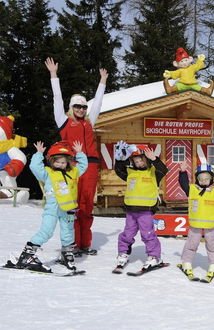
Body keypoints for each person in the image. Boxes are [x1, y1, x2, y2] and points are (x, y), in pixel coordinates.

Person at [45, 57, 108, 257]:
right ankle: (70, 243)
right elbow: (57, 99)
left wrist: (102, 82)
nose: (81, 110)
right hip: (70, 166)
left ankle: (84, 244)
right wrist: (53, 75)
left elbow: (98, 102)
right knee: (71, 203)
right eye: (77, 107)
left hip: (89, 165)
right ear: (71, 108)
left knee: (86, 204)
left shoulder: (90, 122)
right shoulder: (63, 121)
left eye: (83, 107)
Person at [10, 140, 87, 272]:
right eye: (57, 162)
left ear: (68, 162)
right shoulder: (47, 173)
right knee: (46, 231)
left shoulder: (74, 172)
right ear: (51, 161)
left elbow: (84, 166)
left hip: (68, 210)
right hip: (52, 209)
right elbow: (35, 167)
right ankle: (28, 253)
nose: (60, 164)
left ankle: (66, 253)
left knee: (68, 232)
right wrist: (39, 154)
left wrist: (80, 153)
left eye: (63, 162)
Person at [113, 142, 169, 270]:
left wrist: (154, 159)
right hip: (131, 210)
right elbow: (118, 170)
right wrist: (119, 160)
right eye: (136, 161)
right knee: (127, 233)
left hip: (146, 211)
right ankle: (123, 253)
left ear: (146, 160)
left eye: (141, 161)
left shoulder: (154, 172)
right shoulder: (130, 173)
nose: (139, 163)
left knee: (148, 234)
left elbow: (164, 170)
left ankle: (154, 256)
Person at [177, 161, 214, 281]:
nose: (203, 181)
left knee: (212, 244)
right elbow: (184, 183)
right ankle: (186, 262)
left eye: (206, 178)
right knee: (192, 243)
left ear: (211, 178)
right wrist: (183, 172)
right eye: (200, 178)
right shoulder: (192, 189)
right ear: (197, 179)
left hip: (210, 225)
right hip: (195, 225)